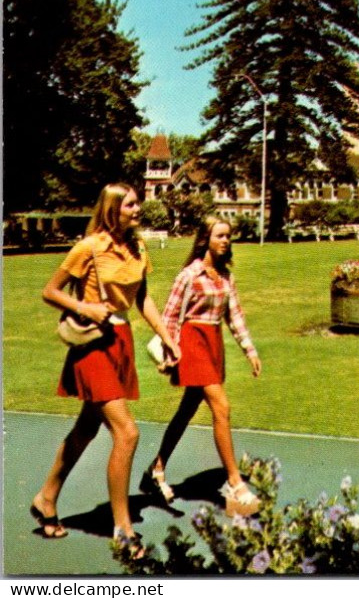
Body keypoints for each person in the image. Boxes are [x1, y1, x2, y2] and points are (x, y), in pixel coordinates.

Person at [32, 184, 180, 557]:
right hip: (93, 344)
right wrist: (85, 308)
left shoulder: (138, 247)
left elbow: (142, 299)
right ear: (113, 208)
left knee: (86, 428)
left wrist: (168, 338)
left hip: (121, 341)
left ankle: (46, 498)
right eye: (131, 203)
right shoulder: (89, 247)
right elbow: (51, 291)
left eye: (137, 202)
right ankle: (123, 529)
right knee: (127, 433)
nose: (138, 208)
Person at [141, 216, 262, 517]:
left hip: (213, 345)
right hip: (192, 345)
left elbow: (234, 317)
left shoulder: (225, 277)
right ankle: (235, 484)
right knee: (221, 407)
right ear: (205, 239)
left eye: (228, 236)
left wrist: (249, 350)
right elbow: (169, 316)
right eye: (220, 235)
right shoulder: (189, 274)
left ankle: (156, 469)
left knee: (187, 410)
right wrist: (170, 354)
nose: (226, 241)